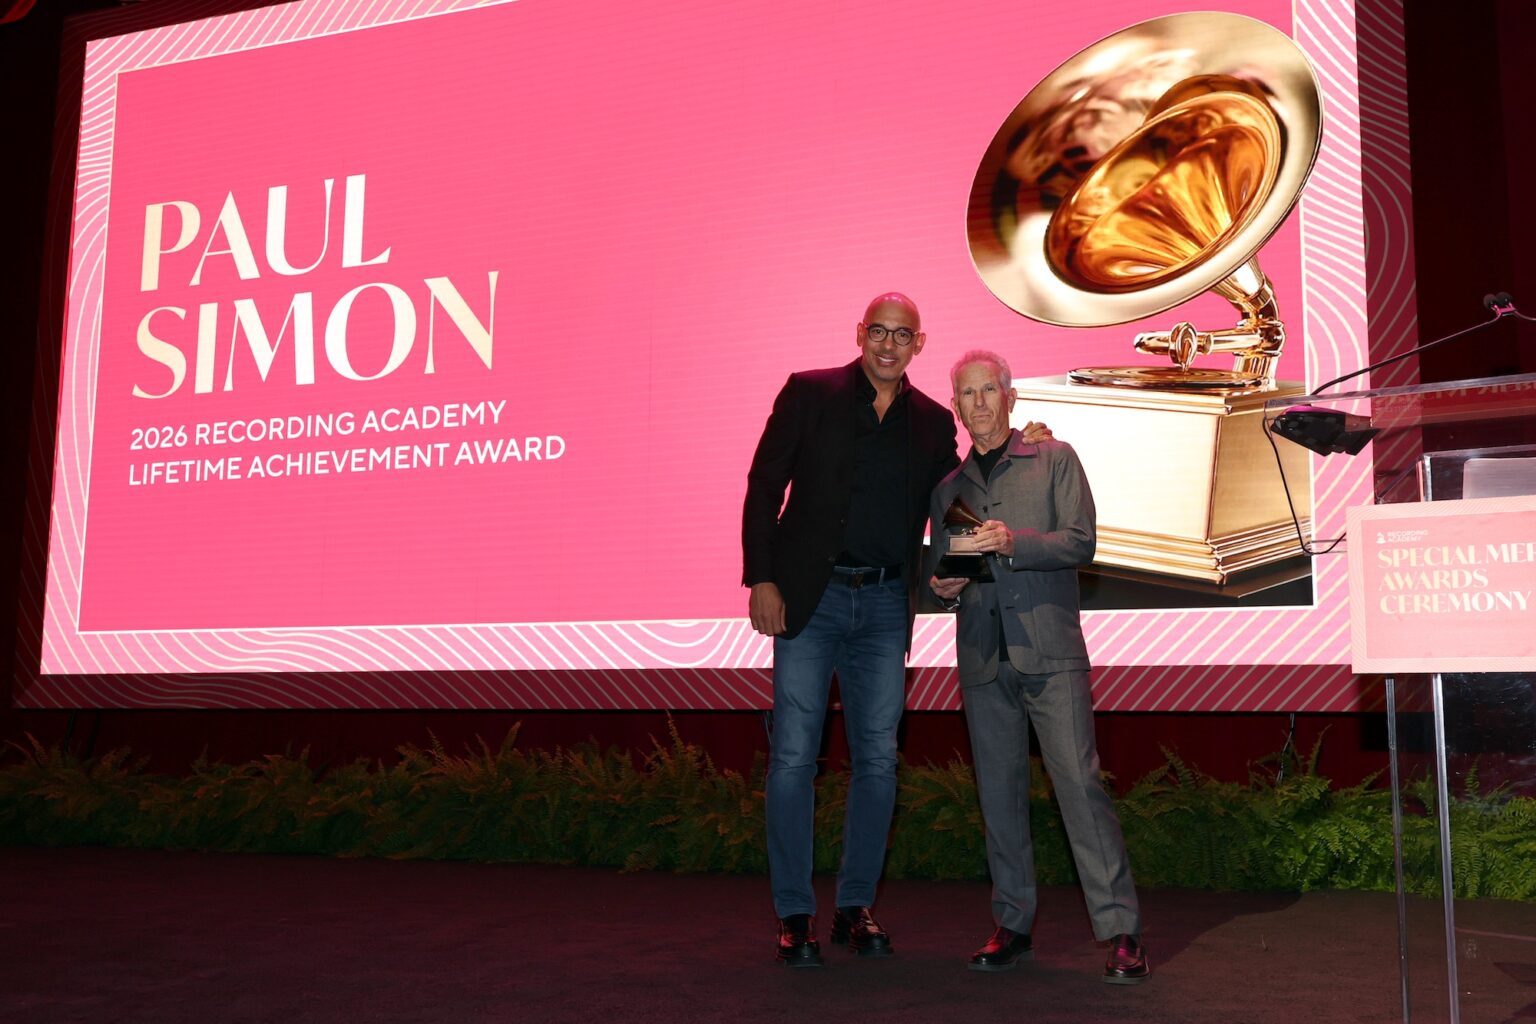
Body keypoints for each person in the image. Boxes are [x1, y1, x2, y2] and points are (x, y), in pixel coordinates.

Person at [742, 294, 1052, 968]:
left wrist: (1026, 451)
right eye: (877, 331)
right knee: (794, 756)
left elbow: (955, 503)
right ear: (860, 334)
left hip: (885, 605)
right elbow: (765, 487)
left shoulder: (933, 423)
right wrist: (761, 579)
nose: (887, 343)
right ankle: (795, 914)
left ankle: (855, 907)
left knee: (878, 761)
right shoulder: (809, 393)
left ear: (919, 344)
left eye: (901, 334)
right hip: (807, 602)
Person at [927, 349, 1148, 984]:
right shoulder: (949, 488)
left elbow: (1083, 541)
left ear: (1010, 396)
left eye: (988, 390)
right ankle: (1012, 924)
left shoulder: (1055, 459)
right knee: (999, 798)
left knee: (1079, 787)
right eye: (966, 394)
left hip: (1050, 655)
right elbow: (951, 570)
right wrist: (941, 586)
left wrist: (1013, 543)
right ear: (957, 407)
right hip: (982, 657)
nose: (978, 403)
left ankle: (1121, 930)